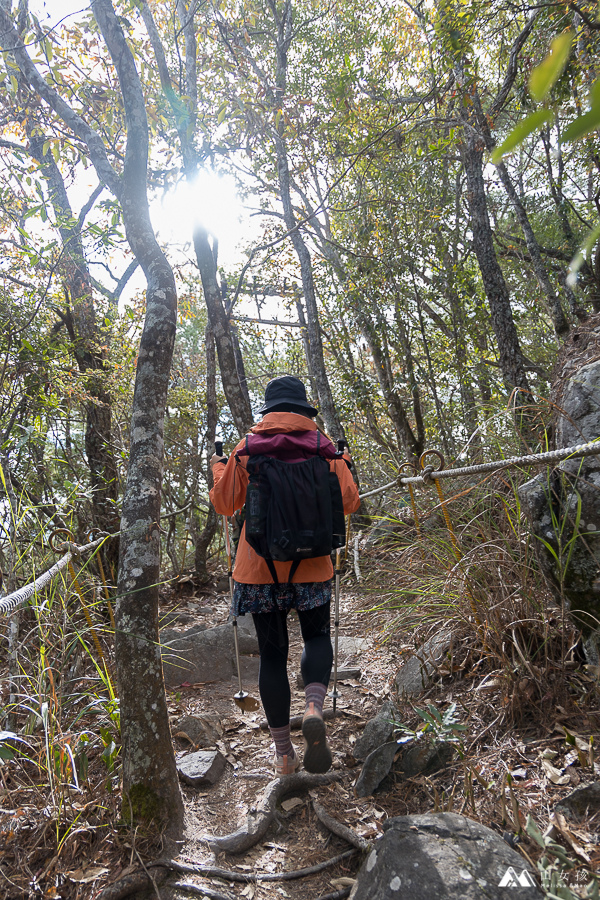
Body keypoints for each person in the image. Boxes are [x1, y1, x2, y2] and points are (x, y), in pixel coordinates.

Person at [210, 375, 360, 776]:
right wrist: (344, 464)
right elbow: (348, 503)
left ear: (269, 411)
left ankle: (284, 756)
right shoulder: (324, 447)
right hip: (312, 565)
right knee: (316, 637)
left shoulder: (247, 448)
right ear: (304, 410)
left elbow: (225, 505)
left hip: (259, 569)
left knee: (272, 656)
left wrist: (219, 468)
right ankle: (313, 704)